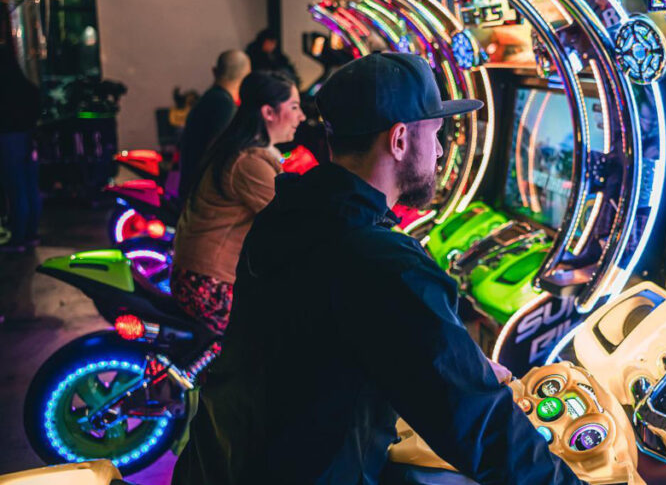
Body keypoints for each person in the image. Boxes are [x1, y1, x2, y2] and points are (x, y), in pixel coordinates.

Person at [171, 53, 584, 485]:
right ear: (400, 139)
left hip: (217, 464)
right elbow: (480, 426)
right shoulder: (380, 262)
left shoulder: (290, 215)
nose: (442, 151)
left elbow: (349, 341)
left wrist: (460, 358)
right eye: (437, 135)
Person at [170, 71, 304, 334]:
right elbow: (294, 218)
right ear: (269, 112)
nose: (302, 116)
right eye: (294, 107)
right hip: (209, 284)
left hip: (198, 275)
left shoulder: (243, 151)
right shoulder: (248, 162)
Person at [177, 50, 250, 201]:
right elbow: (219, 153)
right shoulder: (224, 104)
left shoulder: (211, 98)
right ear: (246, 76)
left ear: (215, 71)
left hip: (192, 189)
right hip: (203, 196)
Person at [0, 17, 41, 253]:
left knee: (16, 189)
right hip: (28, 137)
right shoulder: (25, 86)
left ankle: (18, 238)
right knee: (29, 187)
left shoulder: (5, 90)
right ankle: (31, 234)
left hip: (9, 138)